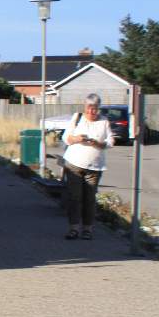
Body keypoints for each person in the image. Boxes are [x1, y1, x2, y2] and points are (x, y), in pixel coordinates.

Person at [61, 93, 114, 239]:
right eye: (89, 108)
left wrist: (98, 143)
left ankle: (87, 229)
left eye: (95, 108)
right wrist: (77, 139)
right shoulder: (77, 118)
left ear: (98, 108)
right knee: (75, 197)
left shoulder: (104, 121)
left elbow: (110, 142)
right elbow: (66, 138)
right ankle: (73, 228)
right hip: (74, 164)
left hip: (95, 167)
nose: (92, 111)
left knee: (89, 199)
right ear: (85, 107)